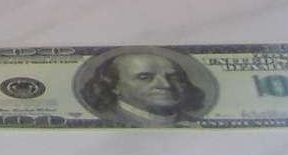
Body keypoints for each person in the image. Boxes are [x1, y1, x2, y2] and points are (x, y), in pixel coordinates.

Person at [73, 47, 215, 126]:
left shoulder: (191, 122)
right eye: (145, 78)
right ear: (114, 86)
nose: (166, 85)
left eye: (174, 78)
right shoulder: (107, 122)